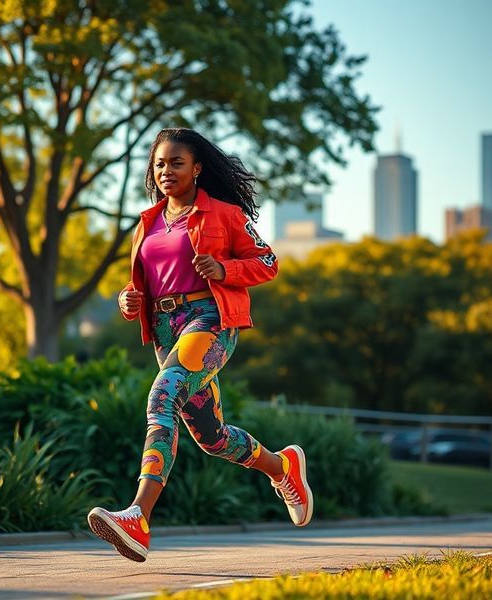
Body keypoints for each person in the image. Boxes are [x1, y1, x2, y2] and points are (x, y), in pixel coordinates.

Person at [87, 128, 313, 562]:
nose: (166, 171)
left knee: (162, 397)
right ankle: (282, 467)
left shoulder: (224, 215)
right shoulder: (148, 222)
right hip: (166, 329)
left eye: (176, 162)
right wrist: (128, 300)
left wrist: (223, 268)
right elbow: (150, 282)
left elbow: (268, 261)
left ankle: (138, 515)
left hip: (209, 319)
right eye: (159, 164)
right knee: (211, 436)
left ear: (197, 168)